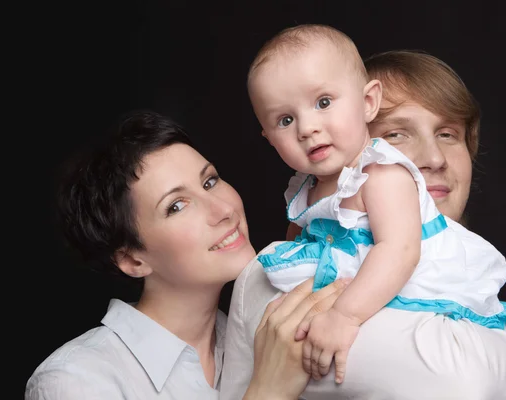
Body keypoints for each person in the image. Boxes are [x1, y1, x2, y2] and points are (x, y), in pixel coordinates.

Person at [220, 42, 506, 400]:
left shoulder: (384, 177)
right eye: (396, 134)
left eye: (447, 134)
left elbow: (400, 251)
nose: (432, 158)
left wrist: (344, 316)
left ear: (364, 105)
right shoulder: (276, 264)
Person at [24, 110, 349, 400]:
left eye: (209, 182)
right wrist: (268, 392)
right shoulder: (75, 381)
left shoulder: (269, 329)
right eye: (176, 206)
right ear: (133, 260)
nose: (223, 210)